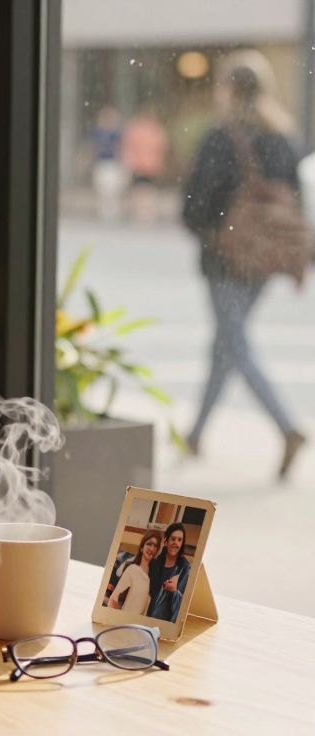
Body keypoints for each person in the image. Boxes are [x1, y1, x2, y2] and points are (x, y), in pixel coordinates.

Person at [182, 49, 307, 481]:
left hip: (226, 259)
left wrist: (213, 231)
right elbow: (295, 202)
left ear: (230, 88)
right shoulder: (284, 137)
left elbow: (195, 205)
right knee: (225, 343)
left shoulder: (222, 137)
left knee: (233, 343)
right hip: (264, 261)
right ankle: (195, 434)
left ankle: (287, 427)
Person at [120, 107, 168, 222]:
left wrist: (130, 160)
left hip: (141, 164)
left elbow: (129, 146)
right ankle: (146, 211)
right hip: (149, 165)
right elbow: (162, 147)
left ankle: (142, 211)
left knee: (141, 188)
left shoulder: (137, 129)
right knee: (147, 188)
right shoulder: (155, 130)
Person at [109, 530, 162, 616]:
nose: (151, 548)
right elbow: (113, 600)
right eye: (149, 544)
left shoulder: (153, 578)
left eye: (155, 546)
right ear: (141, 548)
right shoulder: (132, 569)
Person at [147, 523, 192, 622]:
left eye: (179, 540)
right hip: (148, 617)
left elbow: (184, 603)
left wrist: (174, 591)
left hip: (166, 623)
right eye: (173, 539)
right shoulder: (155, 562)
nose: (176, 543)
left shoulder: (184, 568)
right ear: (166, 540)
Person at [90, 106, 126, 222]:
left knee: (113, 190)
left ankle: (113, 213)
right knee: (102, 189)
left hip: (113, 164)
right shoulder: (98, 132)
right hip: (102, 163)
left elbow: (121, 148)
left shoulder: (116, 134)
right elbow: (93, 147)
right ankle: (104, 212)